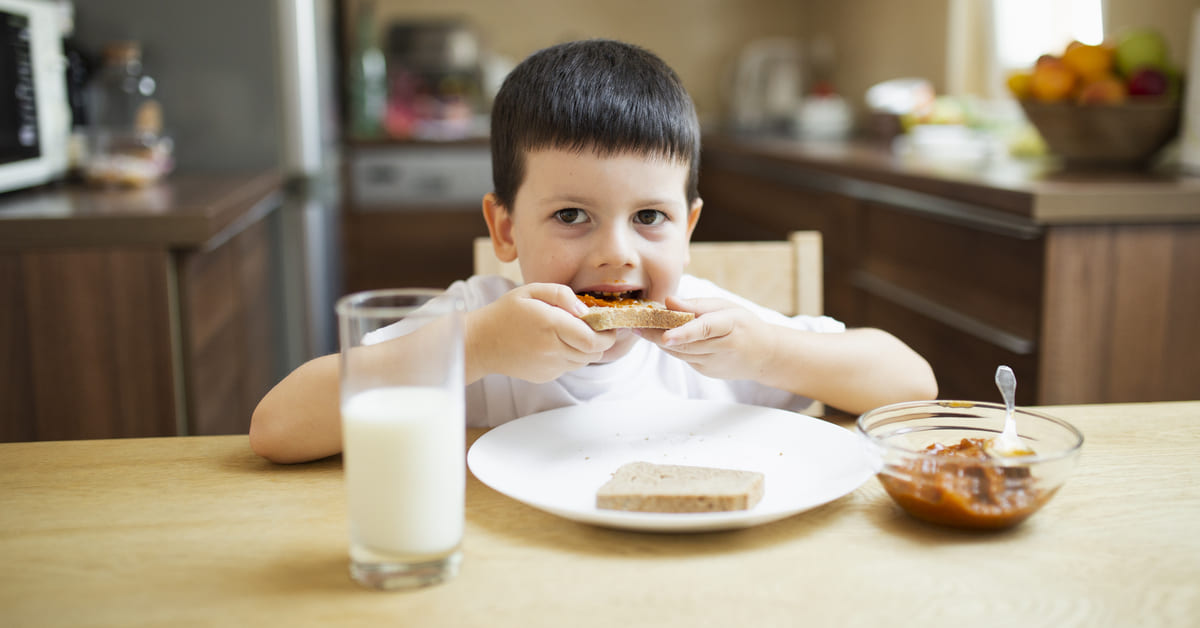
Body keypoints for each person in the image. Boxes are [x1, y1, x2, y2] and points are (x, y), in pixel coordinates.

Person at [250, 39, 936, 464]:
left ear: (689, 228)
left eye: (650, 217)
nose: (616, 255)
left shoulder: (716, 334)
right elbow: (278, 428)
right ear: (507, 229)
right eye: (572, 215)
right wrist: (477, 348)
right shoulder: (482, 323)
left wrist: (769, 353)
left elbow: (911, 384)